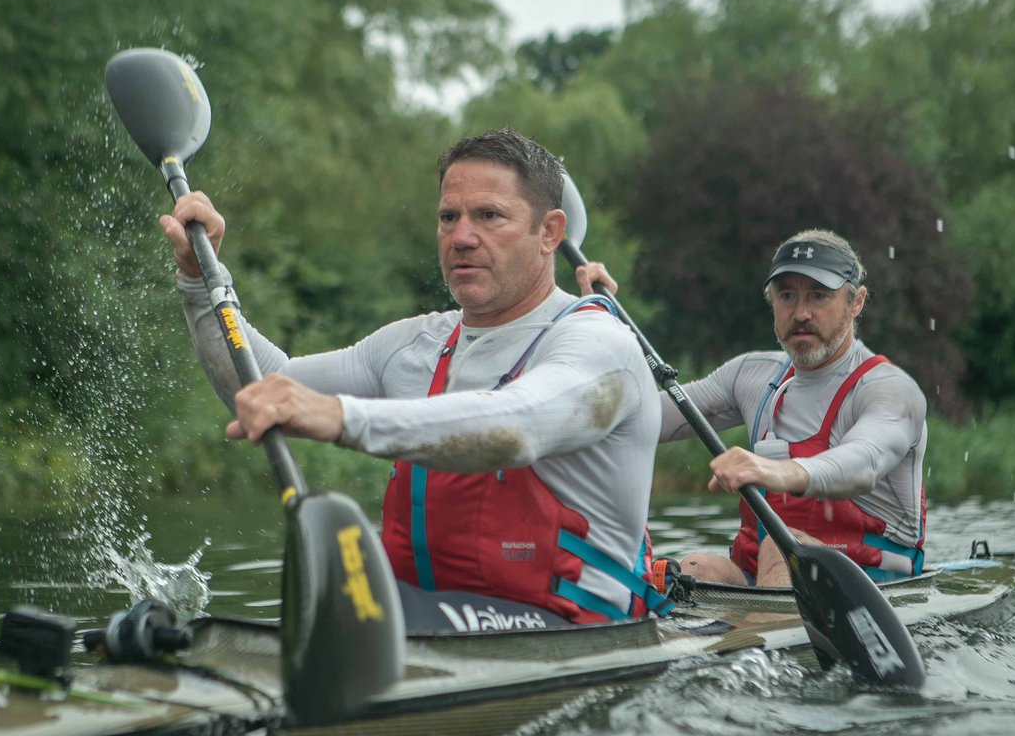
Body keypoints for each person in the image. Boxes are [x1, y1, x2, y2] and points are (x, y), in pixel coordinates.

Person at [161, 128, 663, 624]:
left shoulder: (599, 345)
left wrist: (338, 416)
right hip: (425, 623)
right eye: (449, 217)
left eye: (489, 216)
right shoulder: (413, 345)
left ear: (550, 232)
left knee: (356, 604)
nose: (462, 237)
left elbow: (516, 427)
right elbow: (266, 385)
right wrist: (200, 278)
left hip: (575, 633)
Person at [578, 230, 927, 588]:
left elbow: (864, 463)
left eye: (819, 296)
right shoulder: (751, 375)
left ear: (857, 303)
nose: (801, 313)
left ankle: (754, 641)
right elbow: (633, 418)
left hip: (874, 584)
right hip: (766, 579)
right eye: (787, 295)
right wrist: (599, 327)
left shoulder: (890, 389)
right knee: (696, 569)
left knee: (782, 547)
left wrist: (775, 471)